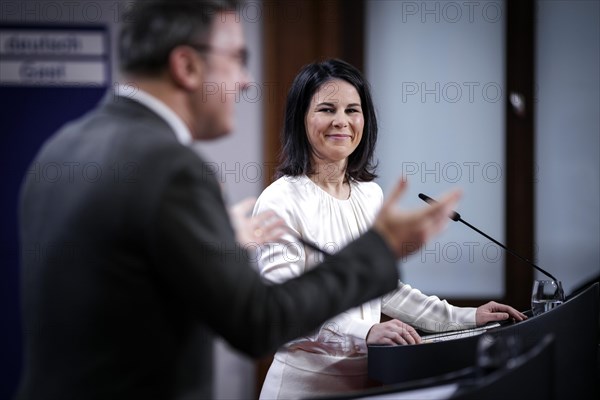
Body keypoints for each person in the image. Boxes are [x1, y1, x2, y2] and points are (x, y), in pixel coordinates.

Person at [15, 2, 463, 400]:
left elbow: (123, 284)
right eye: (236, 60)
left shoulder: (61, 149)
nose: (246, 82)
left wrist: (218, 244)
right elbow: (258, 321)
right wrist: (378, 249)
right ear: (187, 67)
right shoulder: (172, 168)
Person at [253, 59, 527, 399]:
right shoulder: (279, 200)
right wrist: (365, 331)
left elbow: (384, 290)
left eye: (353, 110)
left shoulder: (370, 195)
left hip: (370, 380)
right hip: (303, 386)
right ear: (300, 118)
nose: (341, 121)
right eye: (326, 109)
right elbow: (283, 312)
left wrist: (466, 317)